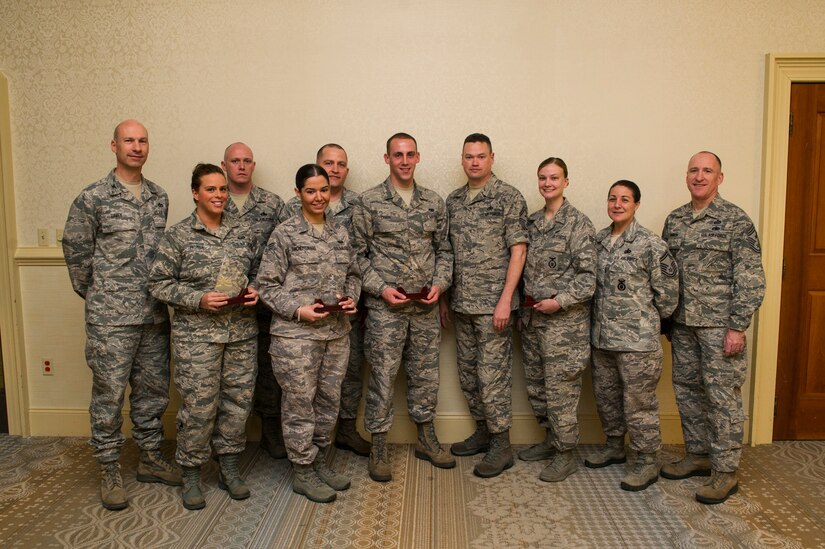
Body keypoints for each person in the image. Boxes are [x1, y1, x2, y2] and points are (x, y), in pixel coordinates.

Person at [63, 119, 181, 511]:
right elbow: (77, 258)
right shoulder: (92, 198)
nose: (136, 146)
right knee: (109, 395)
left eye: (143, 140)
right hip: (111, 319)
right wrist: (103, 296)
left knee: (152, 392)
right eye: (128, 140)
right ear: (113, 145)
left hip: (152, 315)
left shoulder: (159, 196)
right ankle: (110, 466)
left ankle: (149, 457)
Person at [148, 163, 260, 510]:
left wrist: (255, 289)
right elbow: (158, 283)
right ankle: (192, 474)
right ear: (195, 193)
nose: (219, 196)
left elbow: (257, 271)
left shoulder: (244, 231)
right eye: (211, 190)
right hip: (197, 338)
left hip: (241, 333)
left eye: (223, 189)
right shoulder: (178, 236)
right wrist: (197, 299)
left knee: (237, 404)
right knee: (199, 408)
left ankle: (228, 468)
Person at [660, 151, 765, 504]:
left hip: (720, 326)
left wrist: (737, 326)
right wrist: (667, 318)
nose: (699, 176)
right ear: (686, 176)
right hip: (684, 325)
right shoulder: (674, 221)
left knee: (722, 398)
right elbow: (666, 275)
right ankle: (699, 454)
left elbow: (751, 278)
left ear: (720, 178)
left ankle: (725, 470)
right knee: (688, 391)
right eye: (693, 170)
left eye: (707, 171)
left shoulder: (736, 221)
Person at [352, 133, 454, 482]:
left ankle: (426, 437)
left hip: (424, 307)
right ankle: (379, 444)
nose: (405, 161)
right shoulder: (369, 202)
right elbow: (355, 255)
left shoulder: (433, 202)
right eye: (398, 155)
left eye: (410, 154)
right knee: (382, 376)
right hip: (386, 310)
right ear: (387, 159)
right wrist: (380, 290)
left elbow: (446, 252)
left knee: (426, 376)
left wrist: (440, 285)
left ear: (418, 157)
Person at [258, 164, 361, 503]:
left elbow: (355, 275)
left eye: (324, 190)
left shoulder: (341, 232)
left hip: (335, 334)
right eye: (311, 191)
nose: (319, 197)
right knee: (300, 404)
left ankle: (318, 460)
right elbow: (266, 286)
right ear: (298, 193)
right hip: (296, 337)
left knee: (329, 401)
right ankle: (302, 469)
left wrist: (351, 298)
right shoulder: (285, 233)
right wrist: (298, 310)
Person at [440, 133, 528, 478]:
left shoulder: (508, 197)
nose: (474, 162)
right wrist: (446, 299)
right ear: (462, 160)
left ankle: (501, 444)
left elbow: (518, 250)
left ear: (492, 158)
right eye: (468, 156)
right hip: (462, 303)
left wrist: (506, 299)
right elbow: (446, 253)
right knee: (469, 374)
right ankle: (482, 430)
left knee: (493, 377)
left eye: (480, 156)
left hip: (495, 306)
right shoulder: (454, 201)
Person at [585, 180, 679, 491]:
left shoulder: (651, 245)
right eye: (612, 198)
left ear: (636, 204)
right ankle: (614, 446)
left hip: (637, 342)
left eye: (625, 199)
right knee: (607, 397)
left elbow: (668, 295)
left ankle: (647, 460)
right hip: (602, 338)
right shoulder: (597, 241)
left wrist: (646, 321)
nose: (617, 204)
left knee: (639, 403)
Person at [286, 144, 370, 456]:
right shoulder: (288, 221)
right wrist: (295, 309)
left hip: (341, 320)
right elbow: (272, 275)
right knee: (301, 394)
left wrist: (354, 296)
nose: (334, 169)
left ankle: (336, 439)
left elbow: (357, 263)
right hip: (301, 326)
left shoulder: (352, 213)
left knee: (337, 385)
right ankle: (302, 457)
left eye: (340, 164)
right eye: (328, 164)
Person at [520, 157, 596, 482]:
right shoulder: (532, 223)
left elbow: (588, 278)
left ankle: (566, 453)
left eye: (554, 178)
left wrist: (559, 302)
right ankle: (551, 440)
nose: (548, 183)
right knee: (539, 386)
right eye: (543, 178)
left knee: (561, 390)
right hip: (533, 322)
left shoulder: (579, 224)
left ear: (566, 181)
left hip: (565, 327)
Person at [221, 142, 290, 460]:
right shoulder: (214, 199)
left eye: (247, 161)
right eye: (235, 161)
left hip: (264, 303)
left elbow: (285, 251)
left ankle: (271, 430)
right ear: (224, 165)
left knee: (269, 371)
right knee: (225, 375)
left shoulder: (272, 204)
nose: (241, 166)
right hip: (224, 305)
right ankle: (223, 440)